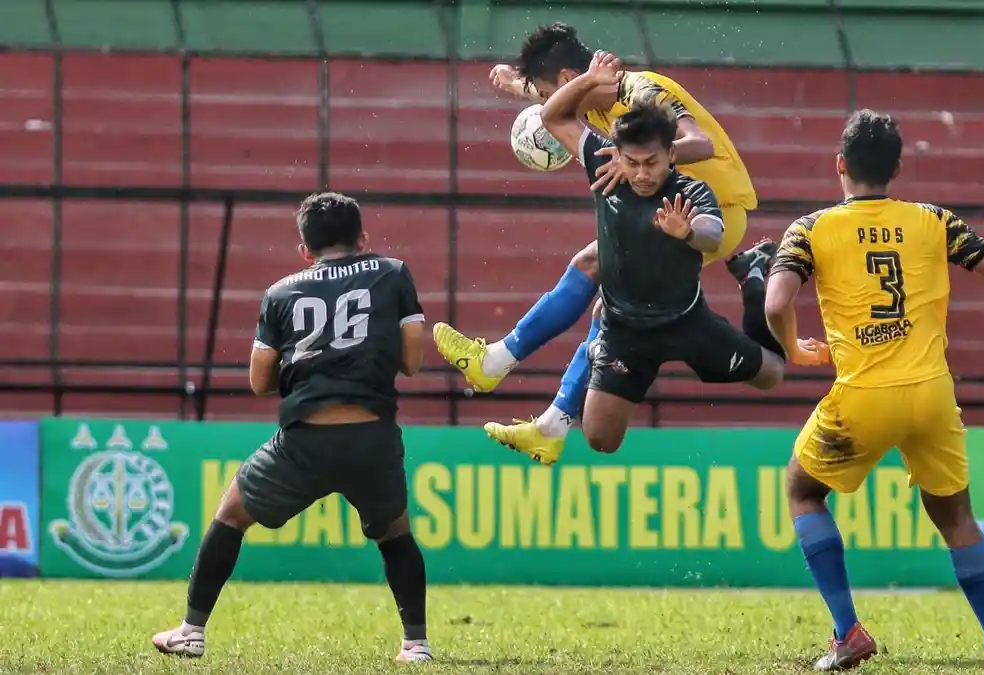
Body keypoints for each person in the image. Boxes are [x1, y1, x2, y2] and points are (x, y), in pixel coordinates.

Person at [764, 110, 984, 673]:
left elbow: (774, 304)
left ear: (840, 165)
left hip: (863, 395)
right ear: (897, 168)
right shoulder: (933, 220)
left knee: (802, 489)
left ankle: (848, 632)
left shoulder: (810, 229)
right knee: (957, 516)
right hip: (933, 394)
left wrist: (793, 346)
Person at [432, 22, 766, 465]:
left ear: (571, 81)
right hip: (661, 205)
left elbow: (698, 143)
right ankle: (543, 417)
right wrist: (518, 85)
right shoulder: (590, 96)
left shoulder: (644, 92)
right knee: (598, 282)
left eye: (550, 90)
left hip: (711, 211)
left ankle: (498, 368)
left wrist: (633, 163)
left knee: (598, 272)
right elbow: (560, 103)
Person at [151, 192, 434, 663]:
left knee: (231, 513)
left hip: (306, 439)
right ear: (363, 239)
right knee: (395, 532)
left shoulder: (282, 292)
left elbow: (260, 382)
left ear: (305, 250)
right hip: (372, 435)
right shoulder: (392, 272)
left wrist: (308, 366)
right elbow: (412, 362)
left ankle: (191, 632)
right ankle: (416, 644)